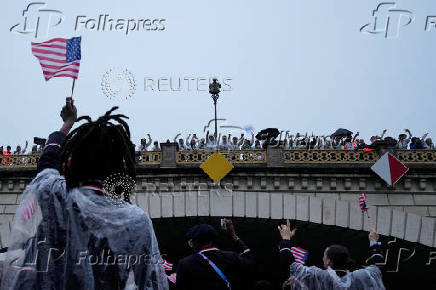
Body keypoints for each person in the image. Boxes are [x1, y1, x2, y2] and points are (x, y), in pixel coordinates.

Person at [1, 97, 168, 290]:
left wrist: (67, 123)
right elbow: (152, 282)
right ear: (120, 170)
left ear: (71, 161)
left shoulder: (51, 193)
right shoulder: (138, 221)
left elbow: (47, 162)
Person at [278, 220, 385, 290]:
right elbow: (378, 265)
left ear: (329, 261)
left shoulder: (318, 277)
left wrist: (286, 239)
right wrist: (374, 242)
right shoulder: (359, 278)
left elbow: (288, 262)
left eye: (324, 255)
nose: (322, 258)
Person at [176, 219, 255, 290]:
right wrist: (233, 236)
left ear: (193, 243)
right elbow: (249, 260)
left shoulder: (185, 263)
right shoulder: (231, 257)